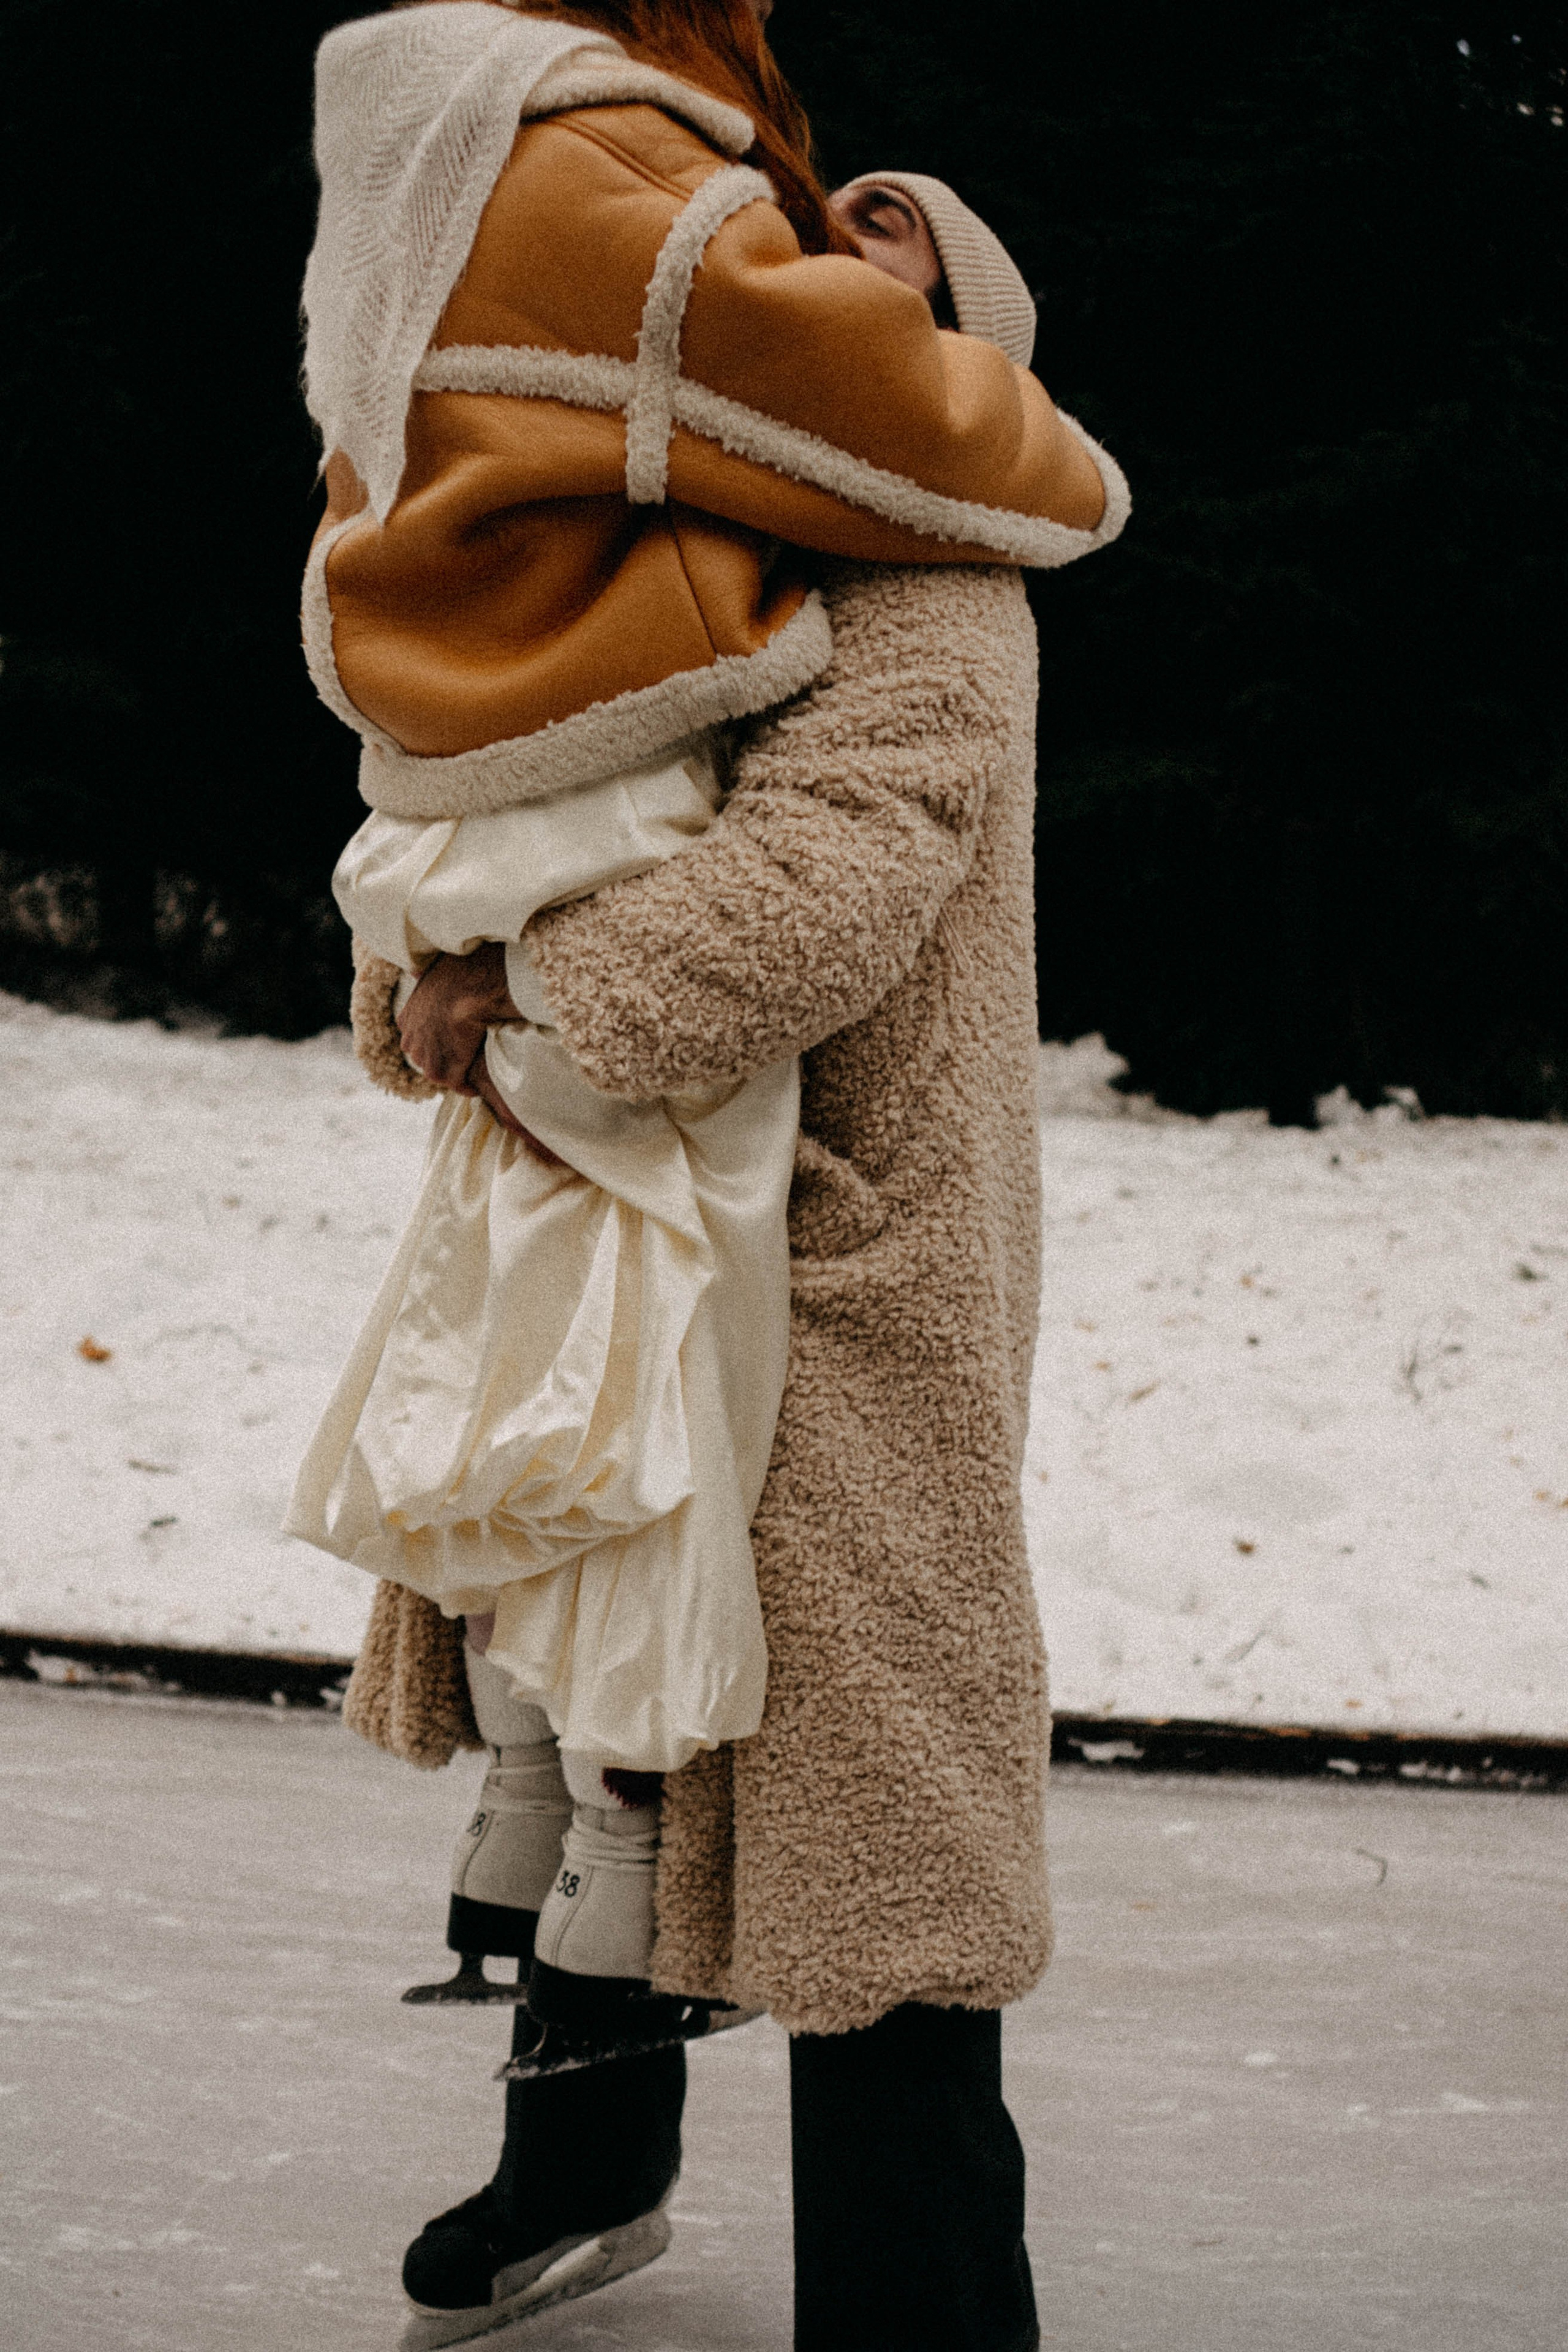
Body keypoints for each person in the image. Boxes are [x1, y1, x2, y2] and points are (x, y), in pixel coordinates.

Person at [295, 4, 1128, 2343]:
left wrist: (520, 1001)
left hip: (852, 1270)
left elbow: (836, 877)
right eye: (826, 243)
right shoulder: (676, 566)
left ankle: (929, 2295)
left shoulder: (940, 594)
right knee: (587, 1710)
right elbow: (462, 835)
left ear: (947, 350)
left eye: (896, 263)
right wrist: (431, 985)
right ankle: (579, 2171)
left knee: (877, 1813)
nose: (844, 270)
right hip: (612, 1246)